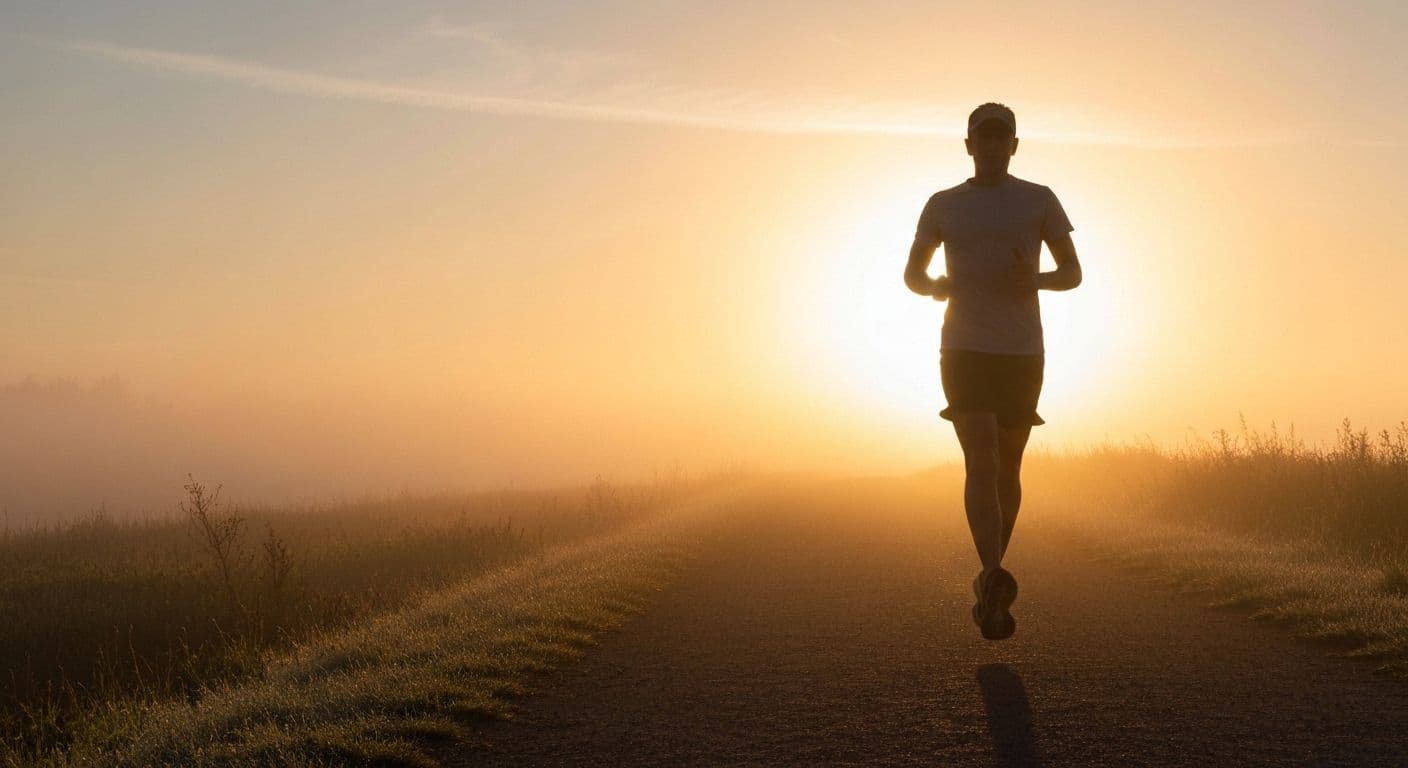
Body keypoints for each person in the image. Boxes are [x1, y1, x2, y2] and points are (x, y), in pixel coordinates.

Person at [904, 103, 1082, 640]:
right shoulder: (943, 204)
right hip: (965, 346)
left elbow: (1073, 273)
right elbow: (912, 273)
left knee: (1008, 467)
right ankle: (991, 571)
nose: (992, 145)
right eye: (983, 137)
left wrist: (1036, 280)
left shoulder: (1039, 199)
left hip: (1022, 351)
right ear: (969, 145)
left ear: (1014, 145)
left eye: (1001, 137)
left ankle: (990, 583)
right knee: (981, 458)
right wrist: (933, 286)